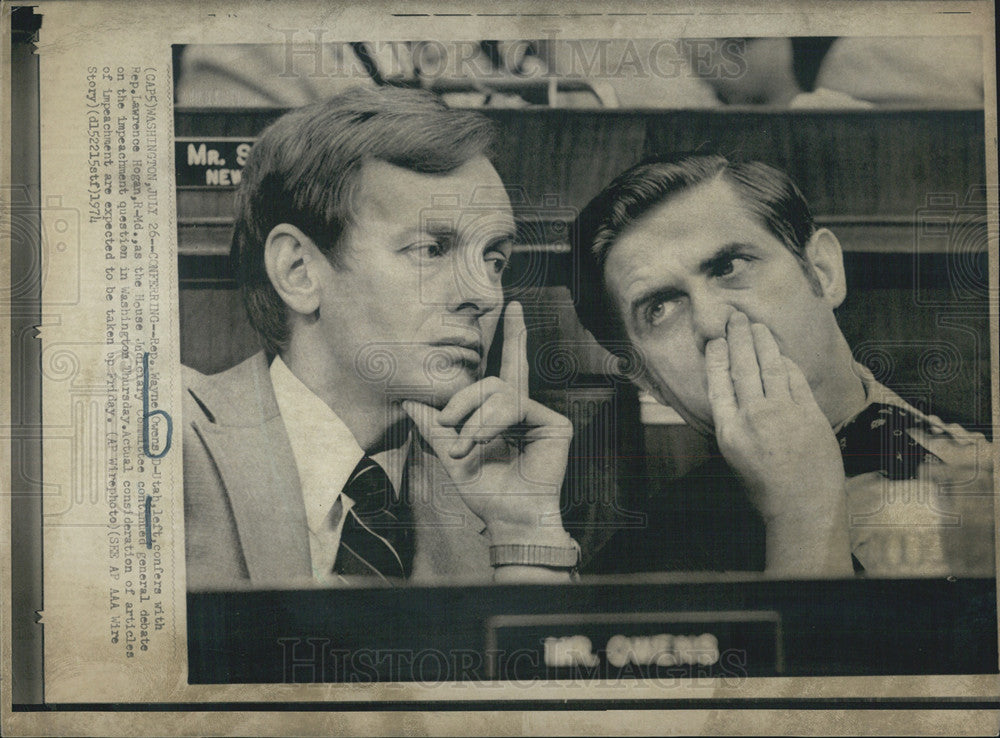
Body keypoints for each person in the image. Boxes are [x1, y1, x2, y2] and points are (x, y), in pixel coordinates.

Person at [182, 86, 580, 590]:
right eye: (432, 250)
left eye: (494, 260)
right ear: (299, 271)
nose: (484, 296)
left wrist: (522, 529)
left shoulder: (496, 492)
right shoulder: (161, 436)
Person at [571, 153, 994, 577]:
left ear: (823, 272)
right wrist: (801, 516)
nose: (713, 323)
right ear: (651, 381)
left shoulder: (982, 447)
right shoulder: (640, 570)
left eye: (729, 266)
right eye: (660, 308)